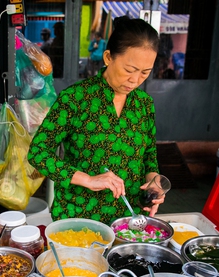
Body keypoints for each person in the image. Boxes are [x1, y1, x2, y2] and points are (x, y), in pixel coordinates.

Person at [27, 17, 163, 224]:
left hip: (129, 220)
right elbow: (38, 153)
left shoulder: (144, 104)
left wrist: (153, 182)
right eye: (129, 70)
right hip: (80, 216)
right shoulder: (76, 98)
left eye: (145, 72)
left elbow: (149, 156)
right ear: (108, 57)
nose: (135, 80)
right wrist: (88, 179)